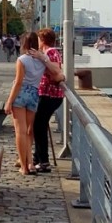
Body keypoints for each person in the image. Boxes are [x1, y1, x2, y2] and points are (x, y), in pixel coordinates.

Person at [5, 32, 47, 176]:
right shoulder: (42, 60)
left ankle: (24, 166)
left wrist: (9, 101)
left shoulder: (22, 59)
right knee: (29, 131)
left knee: (20, 131)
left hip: (21, 93)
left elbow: (18, 82)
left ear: (24, 44)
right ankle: (31, 163)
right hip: (35, 94)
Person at [33, 28, 65, 172]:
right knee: (40, 124)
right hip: (48, 94)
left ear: (42, 40)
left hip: (49, 94)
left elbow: (56, 72)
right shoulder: (51, 52)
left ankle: (43, 161)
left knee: (38, 126)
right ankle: (37, 157)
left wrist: (42, 58)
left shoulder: (50, 53)